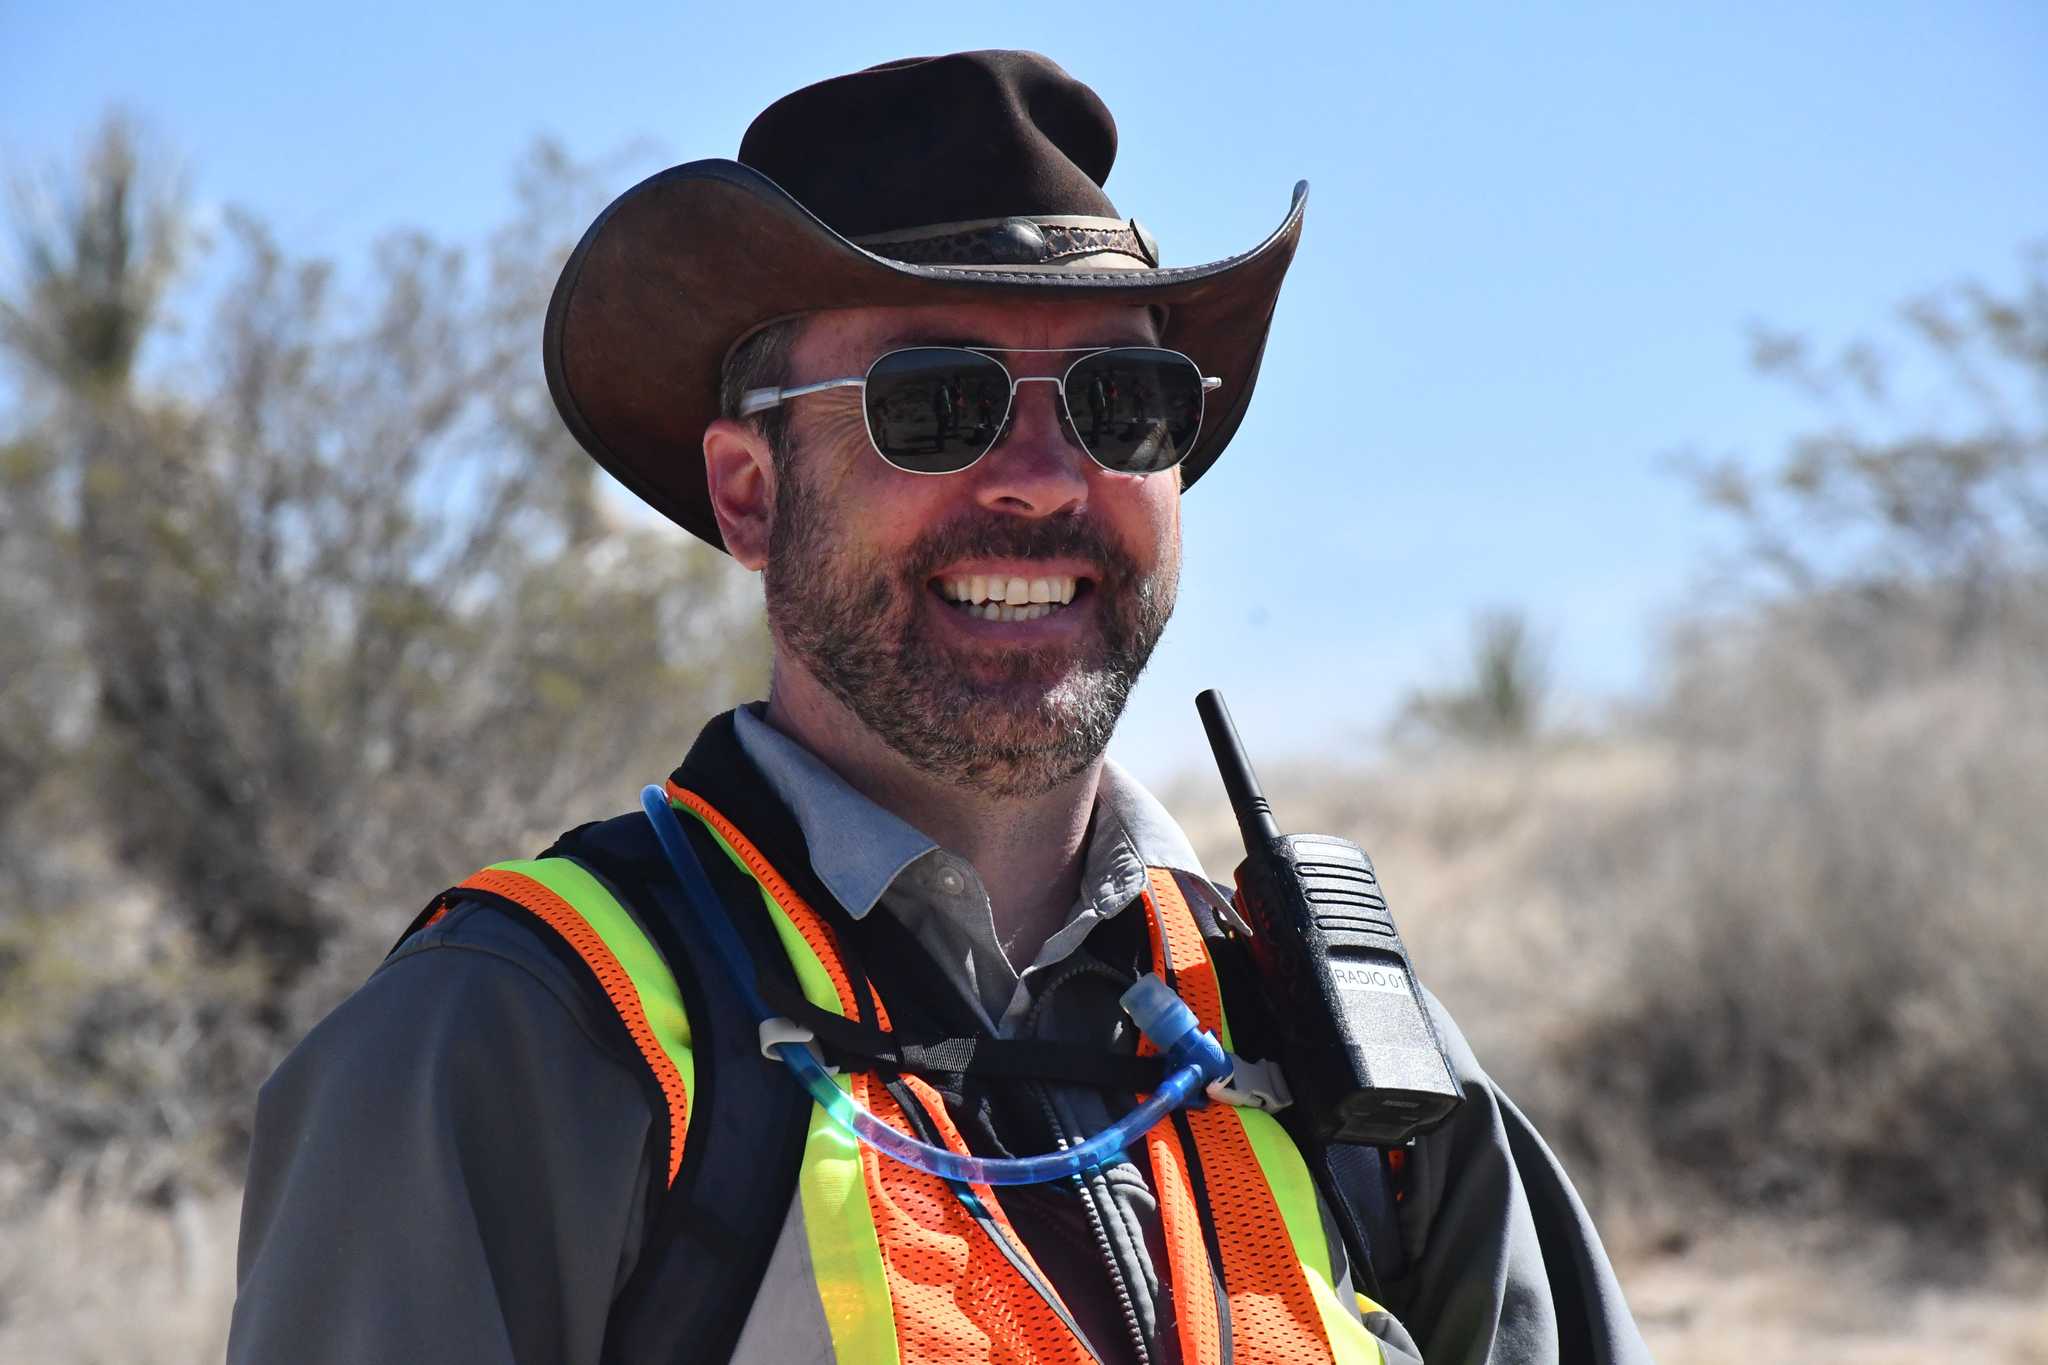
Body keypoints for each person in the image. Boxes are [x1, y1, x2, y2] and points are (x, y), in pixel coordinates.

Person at [228, 51, 1652, 1365]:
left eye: (1122, 402)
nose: (1041, 477)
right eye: (936, 404)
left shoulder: (1352, 1053)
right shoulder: (519, 1037)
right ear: (749, 492)